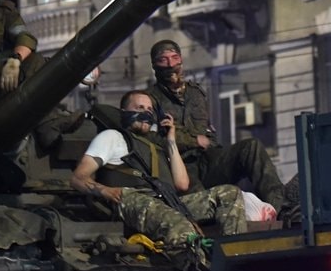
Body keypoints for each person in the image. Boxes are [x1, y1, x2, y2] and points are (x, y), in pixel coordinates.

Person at [70, 90, 246, 249]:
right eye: (139, 108)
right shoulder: (112, 137)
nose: (146, 113)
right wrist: (106, 191)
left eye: (149, 109)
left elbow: (182, 184)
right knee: (179, 224)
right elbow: (78, 178)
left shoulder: (156, 148)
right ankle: (198, 266)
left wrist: (171, 141)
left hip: (163, 203)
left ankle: (232, 255)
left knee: (229, 194)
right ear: (124, 112)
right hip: (130, 201)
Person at [145, 39, 286, 211]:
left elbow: (207, 128)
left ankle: (280, 207)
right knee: (203, 204)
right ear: (155, 65)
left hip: (208, 158)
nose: (170, 64)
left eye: (174, 58)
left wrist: (210, 141)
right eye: (163, 60)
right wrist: (193, 141)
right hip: (180, 166)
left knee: (251, 148)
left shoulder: (195, 93)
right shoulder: (149, 99)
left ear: (181, 59)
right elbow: (152, 138)